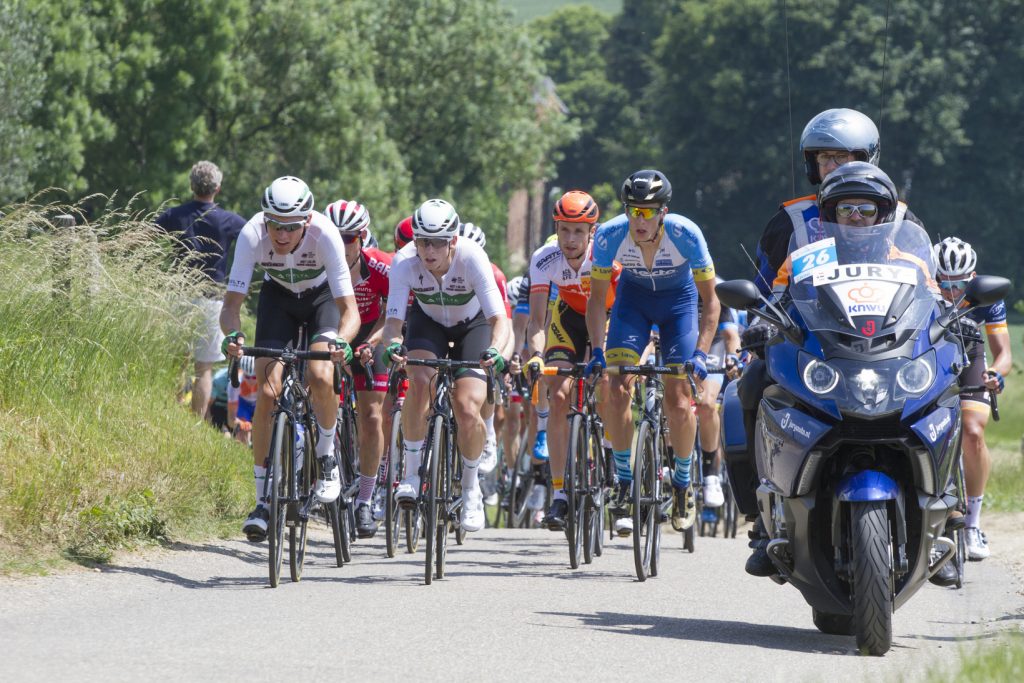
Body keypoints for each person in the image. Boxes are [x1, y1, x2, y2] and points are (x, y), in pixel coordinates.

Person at [742, 161, 927, 576]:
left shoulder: (910, 260)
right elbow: (777, 298)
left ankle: (950, 517)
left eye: (866, 210)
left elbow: (934, 307)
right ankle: (762, 515)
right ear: (831, 216)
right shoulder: (806, 258)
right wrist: (760, 323)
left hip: (889, 366)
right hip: (825, 365)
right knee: (752, 382)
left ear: (883, 215)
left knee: (950, 397)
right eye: (847, 210)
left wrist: (960, 322)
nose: (857, 219)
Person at [221, 176, 360, 542]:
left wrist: (342, 343)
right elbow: (231, 307)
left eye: (290, 228)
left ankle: (326, 458)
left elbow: (351, 311)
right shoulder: (252, 234)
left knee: (319, 373)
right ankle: (263, 501)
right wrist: (233, 337)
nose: (280, 235)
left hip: (321, 300)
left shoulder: (326, 235)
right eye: (274, 225)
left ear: (307, 223)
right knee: (267, 393)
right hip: (278, 299)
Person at [587, 169, 721, 535]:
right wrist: (598, 350)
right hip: (633, 303)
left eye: (648, 212)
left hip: (678, 304)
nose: (639, 220)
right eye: (633, 211)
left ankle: (681, 483)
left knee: (678, 400)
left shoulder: (685, 234)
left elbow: (711, 303)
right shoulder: (611, 235)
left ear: (664, 212)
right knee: (615, 389)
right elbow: (597, 301)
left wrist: (702, 354)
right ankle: (625, 480)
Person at [382, 199, 513, 533]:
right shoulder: (404, 262)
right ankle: (411, 474)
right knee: (420, 379)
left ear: (452, 241)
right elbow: (394, 324)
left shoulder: (472, 258)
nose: (428, 250)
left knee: (467, 405)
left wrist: (497, 352)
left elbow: (499, 320)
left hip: (473, 325)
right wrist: (394, 346)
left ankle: (470, 490)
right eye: (422, 241)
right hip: (428, 324)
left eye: (437, 242)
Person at [522, 190, 620, 531]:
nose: (570, 239)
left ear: (592, 232)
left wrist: (602, 349)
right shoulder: (544, 258)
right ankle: (561, 494)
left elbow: (623, 307)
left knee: (607, 379)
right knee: (559, 393)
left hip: (609, 317)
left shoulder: (610, 255)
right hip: (566, 319)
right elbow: (536, 321)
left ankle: (609, 448)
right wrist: (535, 355)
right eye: (564, 230)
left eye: (579, 231)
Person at [934, 237, 1010, 562]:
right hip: (930, 361)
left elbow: (1003, 353)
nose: (951, 291)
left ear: (974, 277)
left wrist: (996, 373)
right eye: (944, 283)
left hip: (969, 356)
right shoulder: (920, 292)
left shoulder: (985, 301)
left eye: (960, 284)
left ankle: (973, 524)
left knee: (973, 431)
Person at [156, 161, 246, 419]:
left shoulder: (175, 215)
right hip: (212, 300)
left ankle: (171, 414)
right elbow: (254, 234)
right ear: (218, 187)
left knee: (177, 362)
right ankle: (195, 423)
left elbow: (145, 235)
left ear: (191, 185)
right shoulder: (227, 220)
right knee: (204, 368)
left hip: (180, 295)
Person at [325, 199, 392, 538]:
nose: (341, 245)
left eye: (348, 238)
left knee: (371, 416)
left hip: (369, 336)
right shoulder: (318, 266)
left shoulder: (380, 267)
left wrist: (373, 343)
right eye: (333, 238)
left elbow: (393, 313)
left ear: (362, 237)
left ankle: (365, 499)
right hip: (332, 332)